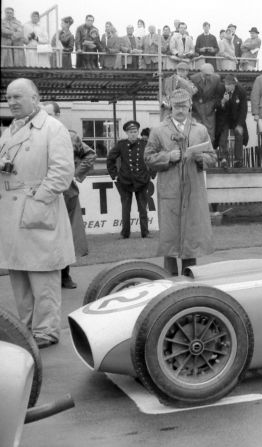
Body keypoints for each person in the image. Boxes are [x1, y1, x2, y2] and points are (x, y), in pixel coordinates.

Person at [0, 79, 74, 348]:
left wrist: (38, 200)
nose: (12, 102)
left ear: (35, 98)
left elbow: (62, 173)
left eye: (18, 96)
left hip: (36, 208)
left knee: (43, 277)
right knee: (19, 277)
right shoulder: (9, 131)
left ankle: (45, 332)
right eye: (8, 98)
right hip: (11, 211)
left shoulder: (53, 128)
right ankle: (27, 330)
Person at [145, 89, 217, 275]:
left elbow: (212, 157)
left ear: (190, 106)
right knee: (170, 239)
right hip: (170, 191)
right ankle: (168, 280)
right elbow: (148, 158)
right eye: (176, 106)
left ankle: (189, 279)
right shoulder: (158, 130)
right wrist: (168, 156)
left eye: (184, 106)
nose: (180, 110)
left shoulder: (200, 130)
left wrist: (200, 157)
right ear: (170, 106)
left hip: (193, 192)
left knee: (191, 239)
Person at [43, 101, 96, 289]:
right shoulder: (36, 137)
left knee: (66, 235)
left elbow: (90, 155)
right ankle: (47, 277)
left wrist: (75, 173)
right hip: (43, 193)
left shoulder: (70, 136)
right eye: (43, 113)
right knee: (45, 236)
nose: (45, 117)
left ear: (58, 115)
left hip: (67, 193)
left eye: (49, 114)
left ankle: (65, 275)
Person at [107, 120, 151, 239]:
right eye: (130, 132)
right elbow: (110, 159)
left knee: (143, 208)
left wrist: (151, 173)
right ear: (127, 133)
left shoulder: (144, 144)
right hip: (125, 181)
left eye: (135, 131)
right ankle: (125, 233)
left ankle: (145, 232)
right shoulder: (121, 145)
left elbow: (152, 157)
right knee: (126, 208)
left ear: (138, 132)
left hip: (141, 180)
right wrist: (114, 175)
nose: (133, 134)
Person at [215, 73, 248, 167]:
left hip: (237, 117)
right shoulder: (220, 89)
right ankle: (223, 159)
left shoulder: (241, 91)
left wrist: (240, 124)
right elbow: (216, 105)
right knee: (223, 135)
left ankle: (238, 160)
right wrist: (223, 101)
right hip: (224, 116)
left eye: (229, 84)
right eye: (226, 84)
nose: (227, 86)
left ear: (234, 84)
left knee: (239, 134)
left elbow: (243, 109)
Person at [190, 63, 223, 144]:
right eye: (206, 75)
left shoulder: (216, 78)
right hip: (196, 110)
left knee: (210, 133)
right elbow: (190, 95)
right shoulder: (193, 78)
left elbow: (218, 95)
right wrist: (194, 105)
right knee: (196, 132)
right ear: (201, 73)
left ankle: (209, 152)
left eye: (210, 75)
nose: (209, 77)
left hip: (209, 110)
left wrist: (213, 105)